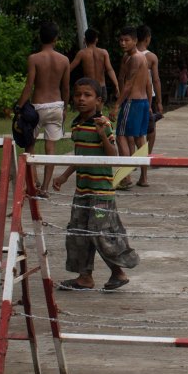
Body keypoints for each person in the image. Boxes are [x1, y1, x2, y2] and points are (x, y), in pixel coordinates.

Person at [50, 78, 139, 290]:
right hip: (83, 190)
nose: (81, 99)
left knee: (101, 233)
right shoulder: (77, 124)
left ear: (98, 100)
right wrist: (64, 177)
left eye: (87, 95)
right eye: (78, 95)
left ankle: (118, 272)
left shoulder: (104, 124)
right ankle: (85, 277)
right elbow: (80, 156)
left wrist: (102, 135)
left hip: (101, 193)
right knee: (78, 232)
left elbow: (112, 155)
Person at [16, 22, 70, 194]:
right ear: (56, 39)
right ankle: (45, 187)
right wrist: (65, 108)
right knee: (50, 148)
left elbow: (29, 85)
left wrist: (19, 106)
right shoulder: (64, 60)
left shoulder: (34, 58)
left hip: (37, 107)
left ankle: (33, 183)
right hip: (56, 105)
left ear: (40, 38)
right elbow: (66, 88)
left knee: (29, 145)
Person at [114, 27, 146, 186]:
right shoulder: (134, 57)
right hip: (142, 102)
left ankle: (126, 178)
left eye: (126, 40)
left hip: (133, 102)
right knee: (140, 138)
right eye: (121, 40)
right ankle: (143, 177)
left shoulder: (135, 58)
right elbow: (123, 78)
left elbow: (128, 84)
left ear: (135, 41)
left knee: (121, 136)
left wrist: (116, 105)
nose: (123, 43)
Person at [136, 25, 163, 188]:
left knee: (134, 132)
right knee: (150, 130)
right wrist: (159, 101)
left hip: (133, 97)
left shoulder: (129, 55)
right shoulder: (151, 57)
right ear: (147, 38)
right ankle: (147, 157)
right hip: (147, 97)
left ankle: (135, 159)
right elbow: (156, 80)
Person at [69, 27, 119, 103]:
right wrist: (116, 85)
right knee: (99, 112)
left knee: (89, 112)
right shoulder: (103, 52)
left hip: (89, 87)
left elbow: (69, 68)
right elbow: (110, 70)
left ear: (85, 40)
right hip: (101, 86)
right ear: (96, 39)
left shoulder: (82, 53)